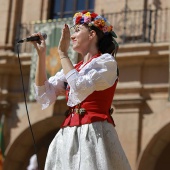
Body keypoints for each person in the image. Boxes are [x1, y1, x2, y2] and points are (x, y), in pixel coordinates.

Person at [32, 11, 131, 170]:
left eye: (77, 30)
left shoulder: (105, 62)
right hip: (68, 135)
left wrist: (63, 54)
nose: (72, 36)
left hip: (93, 132)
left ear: (92, 34)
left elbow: (79, 86)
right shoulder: (74, 69)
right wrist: (41, 54)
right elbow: (44, 93)